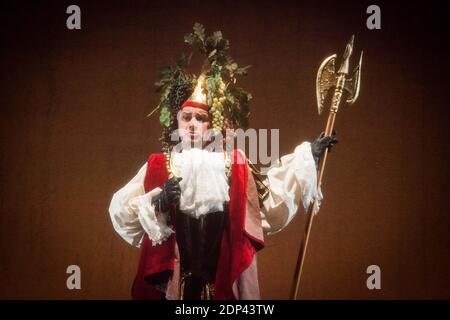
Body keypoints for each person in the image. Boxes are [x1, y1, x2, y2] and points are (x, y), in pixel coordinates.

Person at [108, 24, 337, 300]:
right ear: (176, 123)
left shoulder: (233, 166)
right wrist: (156, 202)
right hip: (173, 290)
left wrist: (307, 156)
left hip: (220, 288)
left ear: (213, 125)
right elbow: (121, 211)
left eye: (201, 119)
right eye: (187, 118)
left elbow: (269, 202)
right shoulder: (158, 165)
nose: (193, 125)